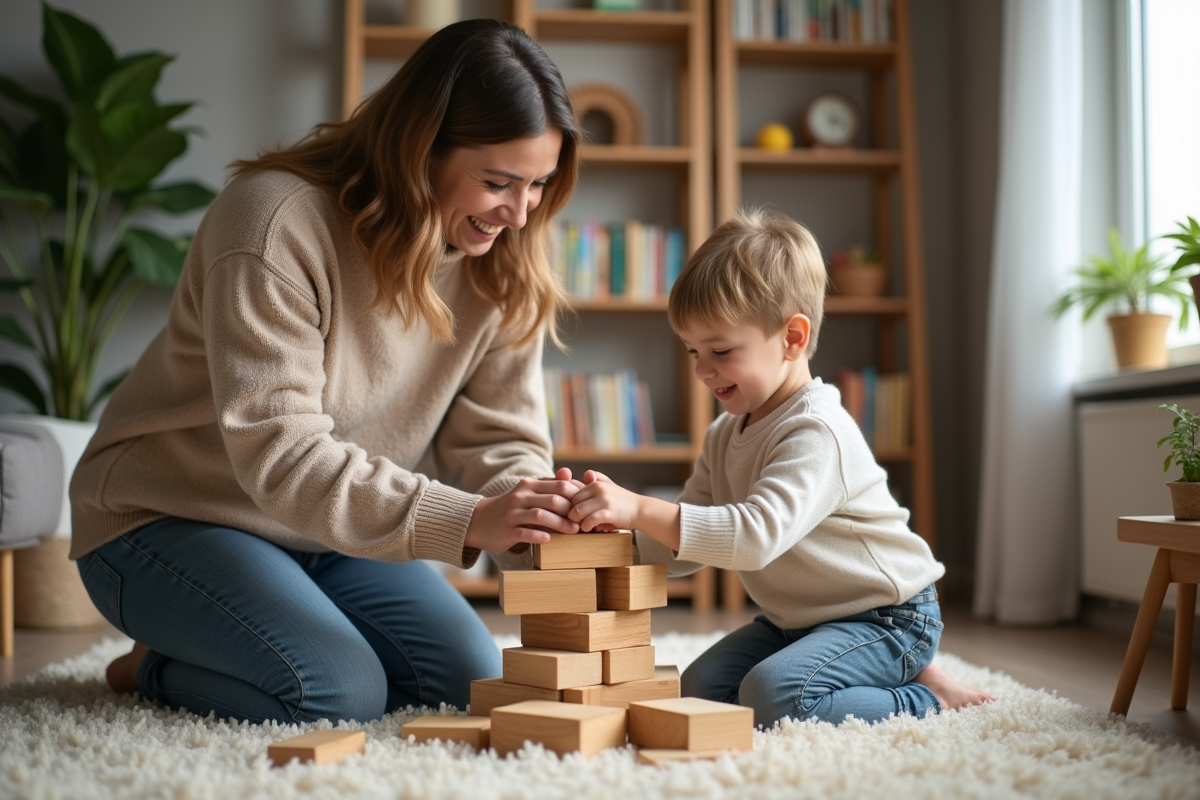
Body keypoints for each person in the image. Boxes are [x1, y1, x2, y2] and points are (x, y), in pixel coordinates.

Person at [69, 18, 586, 725]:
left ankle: (241, 638)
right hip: (166, 515)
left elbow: (496, 440)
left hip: (326, 531)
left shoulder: (500, 256)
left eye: (540, 185)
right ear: (420, 150)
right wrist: (470, 521)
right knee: (334, 692)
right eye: (499, 182)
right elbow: (281, 457)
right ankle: (154, 665)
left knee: (467, 679)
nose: (522, 214)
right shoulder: (274, 221)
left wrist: (536, 524)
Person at [566, 208, 996, 728]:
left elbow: (752, 537)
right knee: (700, 690)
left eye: (720, 350)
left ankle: (927, 698)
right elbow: (687, 547)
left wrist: (640, 506)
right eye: (692, 351)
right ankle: (888, 676)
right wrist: (615, 530)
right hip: (797, 621)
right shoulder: (724, 434)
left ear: (792, 339)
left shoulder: (817, 432)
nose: (703, 370)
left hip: (886, 616)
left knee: (776, 697)